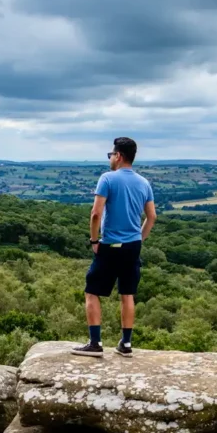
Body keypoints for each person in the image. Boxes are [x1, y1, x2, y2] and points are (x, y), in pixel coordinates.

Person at [72, 136, 157, 357]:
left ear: (118, 156)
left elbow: (96, 213)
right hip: (132, 246)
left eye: (111, 154)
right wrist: (139, 238)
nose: (110, 158)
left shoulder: (107, 179)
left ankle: (95, 344)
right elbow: (152, 216)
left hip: (110, 245)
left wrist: (93, 240)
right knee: (127, 294)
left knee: (92, 292)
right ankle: (126, 345)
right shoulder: (144, 183)